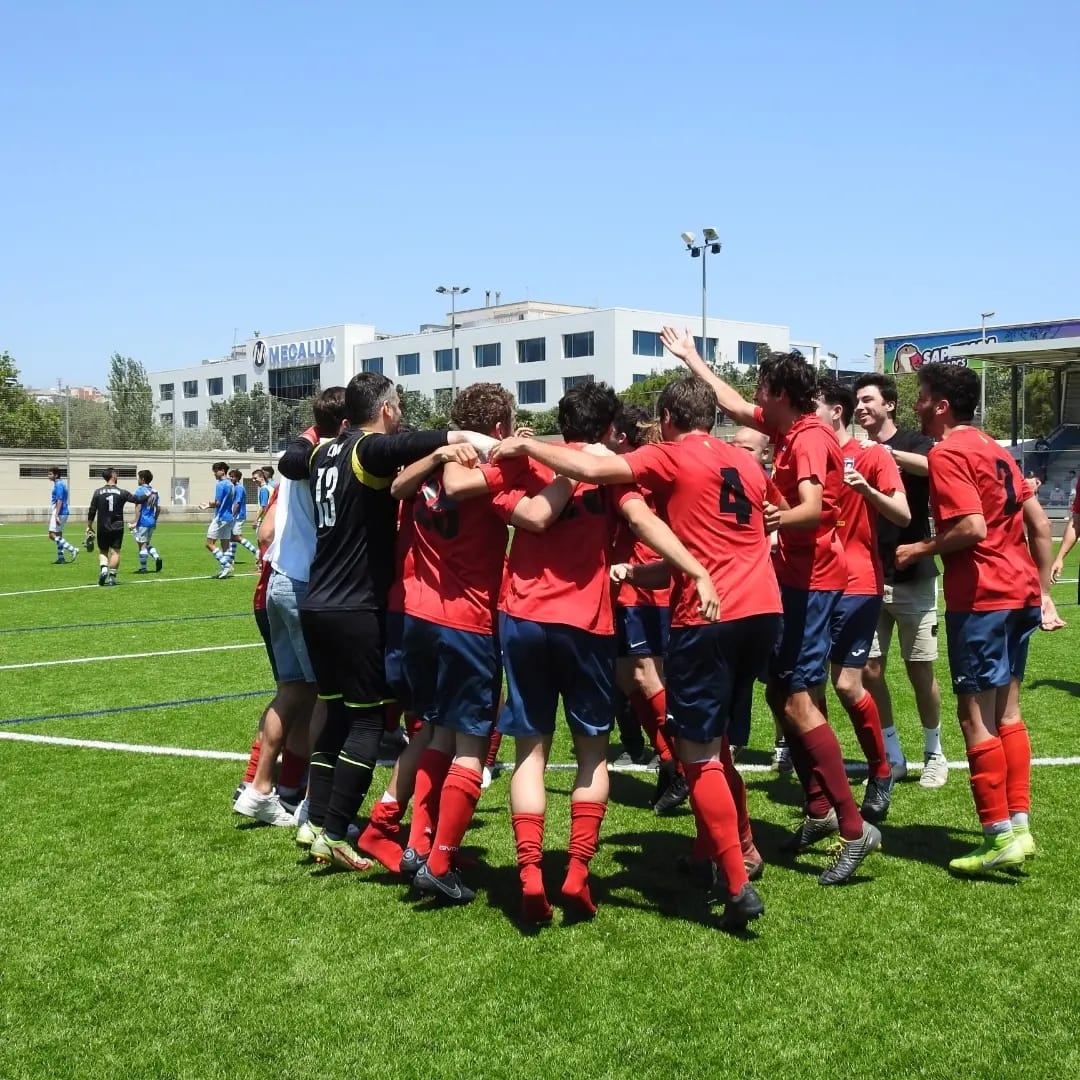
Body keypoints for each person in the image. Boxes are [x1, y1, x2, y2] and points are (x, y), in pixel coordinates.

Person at [491, 375, 773, 927]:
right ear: (609, 426)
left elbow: (492, 496)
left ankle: (528, 874)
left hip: (521, 617)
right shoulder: (624, 474)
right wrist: (692, 567)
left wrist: (501, 445)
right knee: (599, 753)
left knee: (530, 751)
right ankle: (576, 871)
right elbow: (643, 519)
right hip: (595, 621)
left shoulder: (525, 462)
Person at [661, 328, 880, 886]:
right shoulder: (789, 428)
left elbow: (812, 509)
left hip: (814, 582)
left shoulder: (807, 437)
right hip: (795, 581)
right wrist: (691, 358)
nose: (755, 396)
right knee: (783, 695)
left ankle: (854, 829)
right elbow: (731, 403)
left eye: (763, 386)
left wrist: (774, 518)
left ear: (781, 391)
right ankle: (818, 808)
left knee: (800, 702)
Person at [276, 372, 495, 872]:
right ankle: (335, 831)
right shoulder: (367, 448)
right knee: (368, 722)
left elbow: (289, 460)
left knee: (333, 716)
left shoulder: (320, 452)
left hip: (317, 603)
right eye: (396, 406)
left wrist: (313, 433)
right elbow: (438, 439)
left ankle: (312, 821)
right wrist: (473, 444)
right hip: (356, 606)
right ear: (388, 409)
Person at [395, 383, 580, 903]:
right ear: (499, 429)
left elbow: (403, 488)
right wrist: (531, 458)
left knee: (435, 734)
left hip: (417, 615)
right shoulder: (488, 470)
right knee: (472, 746)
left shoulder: (434, 463)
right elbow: (535, 515)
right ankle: (441, 861)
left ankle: (416, 844)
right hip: (466, 619)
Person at [896, 364, 1064, 873]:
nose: (916, 405)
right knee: (1008, 715)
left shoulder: (948, 452)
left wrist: (918, 548)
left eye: (922, 397)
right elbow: (1039, 525)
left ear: (942, 404)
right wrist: (1040, 590)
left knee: (974, 718)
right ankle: (1019, 827)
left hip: (982, 601)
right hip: (1016, 596)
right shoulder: (995, 449)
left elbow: (970, 526)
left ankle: (996, 836)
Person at [234, 388, 348, 828]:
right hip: (304, 584)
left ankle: (263, 789)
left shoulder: (297, 452)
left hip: (278, 579)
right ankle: (313, 805)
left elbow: (265, 533)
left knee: (293, 691)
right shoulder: (324, 456)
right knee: (324, 695)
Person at [816, 378, 910, 823]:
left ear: (837, 411)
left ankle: (881, 768)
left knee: (847, 685)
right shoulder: (803, 454)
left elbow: (904, 513)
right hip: (808, 584)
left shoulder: (871, 455)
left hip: (856, 582)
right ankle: (819, 788)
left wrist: (867, 491)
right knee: (802, 688)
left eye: (811, 406)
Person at [853, 372, 946, 788]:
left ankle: (935, 751)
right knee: (869, 669)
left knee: (919, 670)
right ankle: (892, 753)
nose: (861, 407)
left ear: (889, 404)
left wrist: (885, 453)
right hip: (870, 574)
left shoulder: (913, 441)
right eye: (856, 402)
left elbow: (932, 467)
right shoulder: (854, 449)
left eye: (868, 400)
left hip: (914, 575)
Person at [86, 469, 149, 585]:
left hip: (102, 526)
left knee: (103, 551)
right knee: (115, 552)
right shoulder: (122, 492)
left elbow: (92, 510)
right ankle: (112, 578)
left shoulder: (97, 492)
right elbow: (137, 499)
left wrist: (89, 526)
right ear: (113, 476)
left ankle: (104, 569)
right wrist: (149, 493)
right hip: (117, 526)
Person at [200, 462, 235, 579]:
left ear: (222, 471)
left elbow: (218, 503)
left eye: (216, 471)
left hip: (220, 518)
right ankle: (225, 568)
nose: (214, 474)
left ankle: (226, 566)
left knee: (209, 544)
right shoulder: (231, 484)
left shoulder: (220, 484)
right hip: (229, 518)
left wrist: (208, 504)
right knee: (225, 545)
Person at [131, 469, 163, 573]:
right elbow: (158, 508)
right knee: (147, 543)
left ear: (143, 479)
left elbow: (138, 507)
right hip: (151, 520)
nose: (138, 480)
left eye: (139, 478)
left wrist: (135, 521)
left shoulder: (140, 490)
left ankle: (143, 568)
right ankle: (156, 556)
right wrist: (154, 520)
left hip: (143, 521)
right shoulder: (154, 491)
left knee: (141, 545)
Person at [228, 469, 261, 563]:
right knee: (232, 536)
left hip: (238, 516)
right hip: (236, 515)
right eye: (230, 476)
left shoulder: (239, 488)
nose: (231, 478)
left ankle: (256, 552)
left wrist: (232, 515)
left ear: (237, 478)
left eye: (232, 476)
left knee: (236, 537)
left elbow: (237, 503)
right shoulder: (234, 487)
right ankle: (231, 558)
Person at [47, 467, 78, 564]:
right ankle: (61, 558)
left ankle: (72, 549)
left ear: (56, 475)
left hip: (59, 511)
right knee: (59, 535)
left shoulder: (59, 485)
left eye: (50, 474)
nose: (48, 476)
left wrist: (56, 514)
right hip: (63, 511)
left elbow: (59, 500)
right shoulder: (60, 484)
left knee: (51, 535)